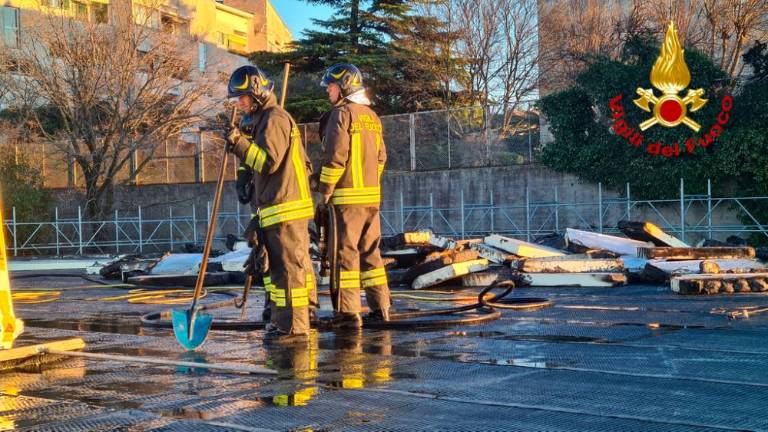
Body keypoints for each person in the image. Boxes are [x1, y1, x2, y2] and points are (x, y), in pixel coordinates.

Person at [225, 65, 315, 340]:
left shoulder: (275, 118)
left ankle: (294, 328)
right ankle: (284, 320)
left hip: (285, 207)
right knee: (278, 271)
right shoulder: (264, 119)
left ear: (257, 92)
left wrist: (238, 143)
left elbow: (268, 162)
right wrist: (242, 177)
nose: (240, 104)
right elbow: (257, 159)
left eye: (243, 97)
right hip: (276, 207)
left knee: (289, 273)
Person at [315, 63, 391, 329]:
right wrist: (370, 185)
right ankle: (381, 309)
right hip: (371, 200)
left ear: (344, 86)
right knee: (371, 254)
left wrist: (324, 194)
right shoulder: (373, 117)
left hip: (347, 202)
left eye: (331, 87)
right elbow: (381, 158)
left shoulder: (341, 115)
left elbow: (335, 158)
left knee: (346, 255)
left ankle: (348, 314)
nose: (328, 92)